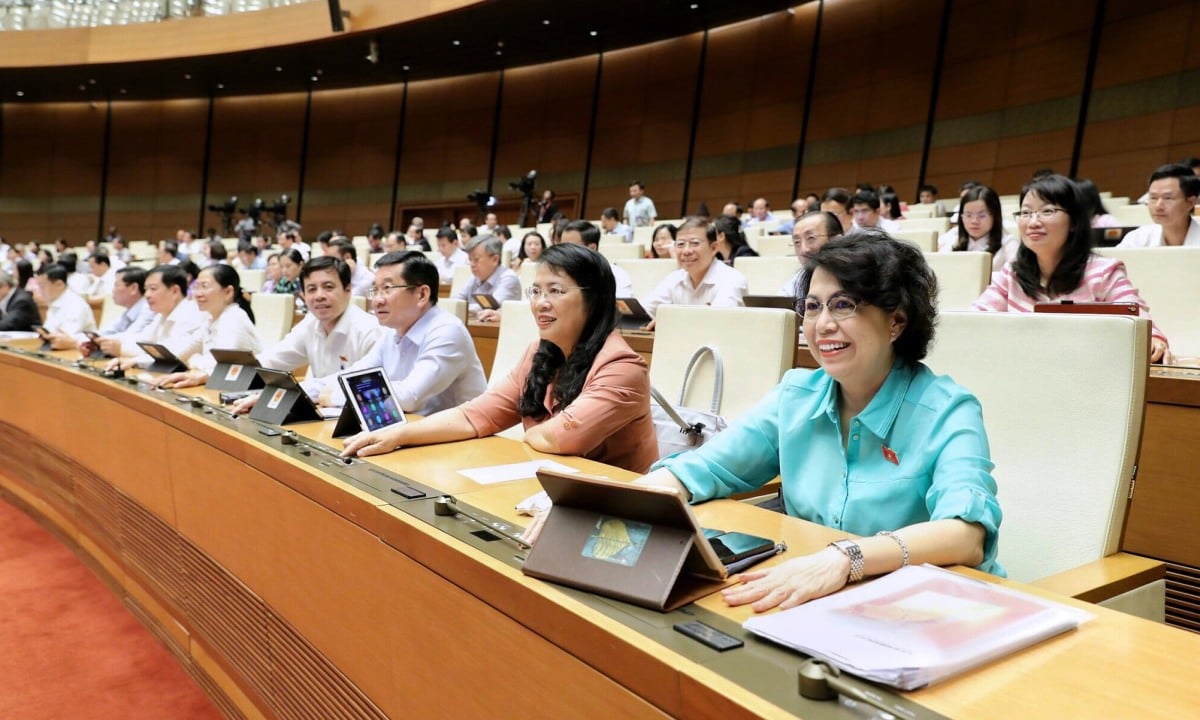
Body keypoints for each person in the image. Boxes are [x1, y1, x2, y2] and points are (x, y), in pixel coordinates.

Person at [596, 231, 1002, 612]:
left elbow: (966, 534)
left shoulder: (947, 409)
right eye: (812, 306)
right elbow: (706, 467)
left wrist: (846, 559)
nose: (822, 324)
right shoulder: (796, 394)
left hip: (922, 605)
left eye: (844, 305)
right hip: (817, 594)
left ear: (896, 321)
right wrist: (609, 507)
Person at [342, 243, 658, 473]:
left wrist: (528, 431)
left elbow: (561, 438)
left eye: (556, 291)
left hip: (613, 506)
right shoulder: (538, 353)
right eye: (535, 291)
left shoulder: (622, 367)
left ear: (594, 300)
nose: (541, 304)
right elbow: (475, 415)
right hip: (551, 489)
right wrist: (397, 434)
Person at [972, 174, 1171, 363]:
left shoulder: (1103, 273)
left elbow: (1137, 318)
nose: (1033, 222)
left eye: (1047, 211)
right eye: (1026, 213)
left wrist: (1153, 339)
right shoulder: (1011, 274)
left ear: (1074, 221)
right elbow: (975, 319)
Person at [308, 251, 488, 415]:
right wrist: (306, 390)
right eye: (375, 290)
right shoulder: (392, 333)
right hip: (410, 431)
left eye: (387, 289)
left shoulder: (447, 332)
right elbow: (355, 375)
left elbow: (409, 397)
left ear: (422, 295)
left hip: (461, 441)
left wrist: (336, 395)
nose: (377, 300)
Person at [231, 257, 382, 413]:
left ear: (348, 291)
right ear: (303, 295)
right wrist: (225, 372)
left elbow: (359, 384)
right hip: (320, 412)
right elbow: (272, 360)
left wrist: (281, 395)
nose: (319, 296)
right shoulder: (310, 323)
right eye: (311, 289)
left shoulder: (369, 330)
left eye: (328, 287)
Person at [151, 264, 263, 388]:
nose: (198, 293)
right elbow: (182, 352)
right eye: (196, 287)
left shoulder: (234, 318)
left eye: (204, 286)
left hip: (245, 389)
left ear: (228, 292)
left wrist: (195, 360)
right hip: (220, 385)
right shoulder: (211, 319)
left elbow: (219, 366)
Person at [643, 217, 748, 326]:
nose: (686, 251)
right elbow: (645, 312)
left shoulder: (732, 279)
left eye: (694, 243)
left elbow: (719, 322)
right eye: (680, 244)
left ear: (713, 248)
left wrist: (670, 320)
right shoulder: (674, 278)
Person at [104, 264, 208, 371]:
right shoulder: (161, 315)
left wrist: (129, 356)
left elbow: (172, 356)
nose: (147, 295)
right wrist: (108, 343)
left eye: (153, 289)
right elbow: (142, 342)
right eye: (146, 289)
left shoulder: (191, 314)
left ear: (175, 291)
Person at [937, 185, 1019, 277]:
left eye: (982, 216)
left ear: (995, 216)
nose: (974, 221)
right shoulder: (953, 239)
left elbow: (1015, 277)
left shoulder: (1008, 243)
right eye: (968, 215)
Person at [1117, 163, 1200, 248]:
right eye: (1153, 198)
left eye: (1168, 198)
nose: (1158, 206)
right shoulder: (1138, 239)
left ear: (1190, 202)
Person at [82, 267, 156, 357]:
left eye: (116, 285)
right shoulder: (128, 310)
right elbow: (110, 330)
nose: (113, 290)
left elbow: (131, 336)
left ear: (133, 288)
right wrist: (93, 336)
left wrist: (97, 340)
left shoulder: (149, 309)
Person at [452, 235, 523, 322]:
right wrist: (454, 306)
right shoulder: (475, 277)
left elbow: (492, 306)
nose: (472, 264)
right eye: (470, 260)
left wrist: (459, 307)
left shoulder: (509, 278)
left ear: (495, 260)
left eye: (476, 260)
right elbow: (456, 300)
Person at [559, 220, 635, 297]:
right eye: (562, 247)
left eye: (571, 247)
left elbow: (624, 307)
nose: (564, 252)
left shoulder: (616, 275)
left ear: (592, 248)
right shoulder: (557, 273)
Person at [780, 210, 842, 299]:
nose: (804, 250)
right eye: (797, 242)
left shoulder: (858, 276)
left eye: (811, 238)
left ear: (837, 241)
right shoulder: (797, 281)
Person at [36, 263, 97, 349]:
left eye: (42, 286)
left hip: (79, 353)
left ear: (59, 284)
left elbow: (64, 338)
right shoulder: (55, 301)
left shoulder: (75, 305)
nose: (39, 291)